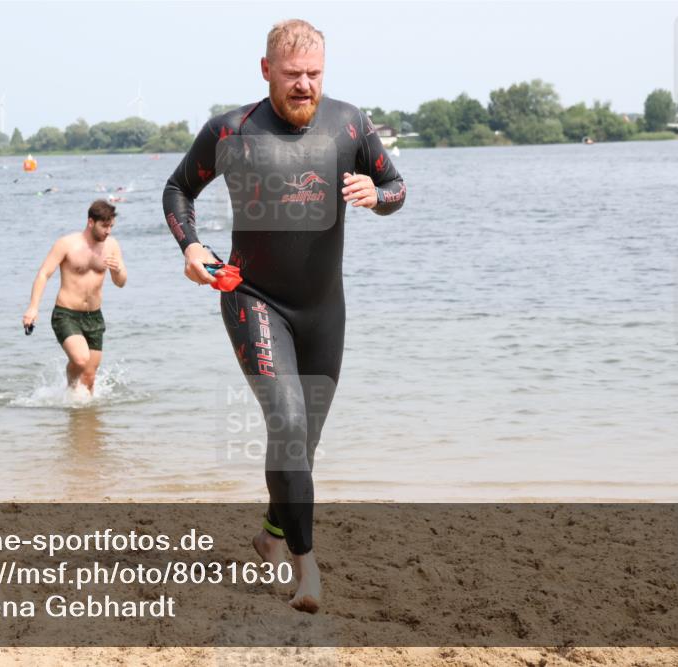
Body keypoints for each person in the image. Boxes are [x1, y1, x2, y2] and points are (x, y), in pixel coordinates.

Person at [162, 19, 405, 613]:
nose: (305, 86)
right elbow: (177, 190)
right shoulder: (230, 130)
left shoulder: (350, 123)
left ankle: (270, 534)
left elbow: (397, 185)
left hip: (324, 310)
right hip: (253, 299)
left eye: (315, 74)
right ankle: (308, 569)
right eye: (293, 74)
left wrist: (378, 198)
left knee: (303, 442)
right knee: (290, 428)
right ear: (265, 69)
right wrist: (192, 248)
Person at [23, 200, 127, 393]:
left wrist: (118, 270)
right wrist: (33, 307)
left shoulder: (112, 246)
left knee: (89, 377)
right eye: (104, 226)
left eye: (111, 226)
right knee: (80, 359)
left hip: (94, 317)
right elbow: (44, 274)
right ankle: (70, 390)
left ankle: (84, 417)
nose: (108, 231)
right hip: (66, 314)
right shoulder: (67, 244)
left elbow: (120, 282)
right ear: (90, 222)